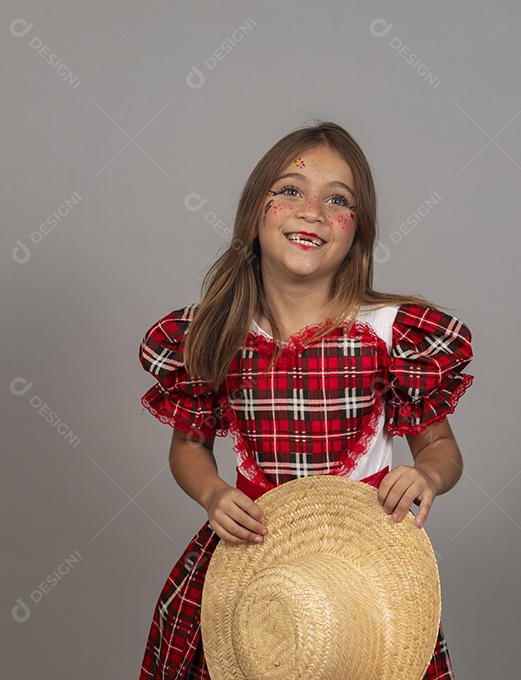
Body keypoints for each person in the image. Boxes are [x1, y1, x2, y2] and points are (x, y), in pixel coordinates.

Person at [137, 120, 475, 679]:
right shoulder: (216, 332)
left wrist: (427, 477)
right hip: (250, 559)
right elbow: (187, 448)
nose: (312, 211)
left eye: (337, 199)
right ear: (254, 213)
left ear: (355, 231)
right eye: (290, 190)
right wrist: (214, 493)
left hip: (357, 572)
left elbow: (441, 447)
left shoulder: (393, 333)